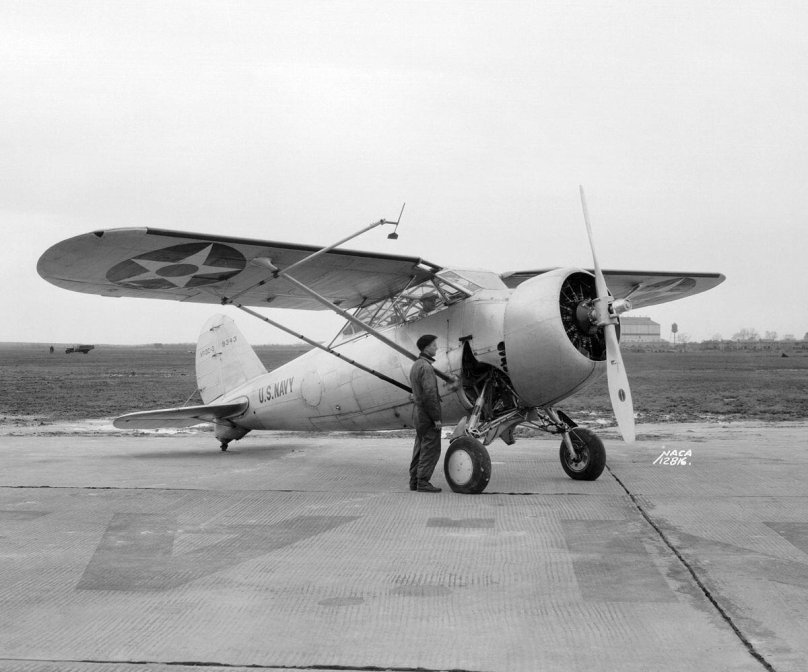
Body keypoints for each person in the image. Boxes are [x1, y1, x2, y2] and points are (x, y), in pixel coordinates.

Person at [409, 334, 443, 492]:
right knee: (431, 448)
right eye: (434, 345)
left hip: (418, 413)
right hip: (426, 414)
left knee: (420, 447)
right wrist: (436, 418)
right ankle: (423, 482)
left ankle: (414, 481)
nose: (436, 347)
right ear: (427, 347)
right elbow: (430, 395)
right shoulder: (427, 367)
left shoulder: (416, 365)